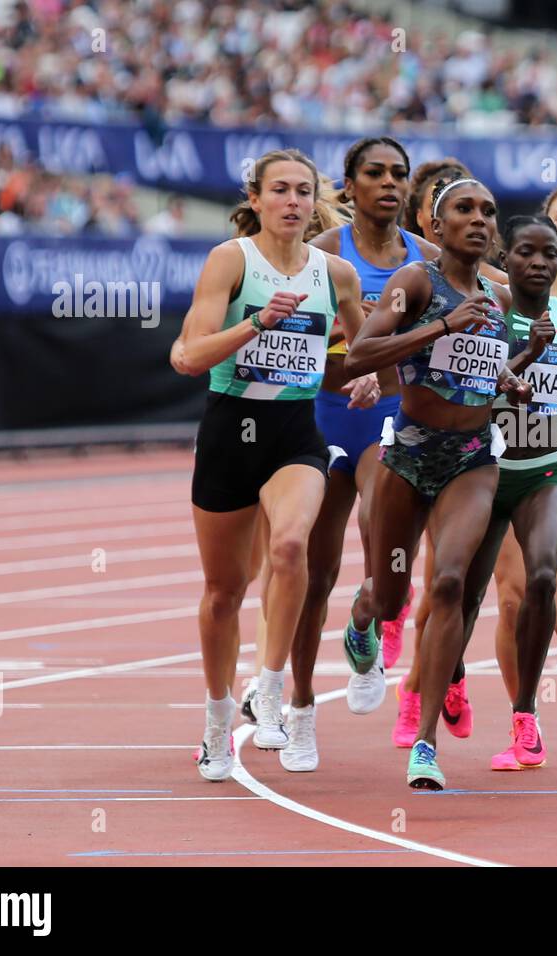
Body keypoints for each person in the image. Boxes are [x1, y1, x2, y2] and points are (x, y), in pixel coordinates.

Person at [341, 177, 536, 790]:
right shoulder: (416, 282)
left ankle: (424, 744)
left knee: (449, 583)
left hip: (472, 459)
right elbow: (359, 354)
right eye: (464, 210)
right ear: (435, 223)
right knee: (394, 596)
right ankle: (364, 616)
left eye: (488, 212)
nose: (479, 220)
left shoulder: (498, 300)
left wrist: (512, 375)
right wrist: (439, 328)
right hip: (409, 454)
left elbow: (481, 368)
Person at [176, 148, 362, 781]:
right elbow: (188, 356)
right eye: (278, 190)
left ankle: (271, 685)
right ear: (254, 199)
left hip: (294, 435)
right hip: (230, 430)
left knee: (290, 548)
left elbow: (357, 352)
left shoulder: (335, 274)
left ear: (315, 202)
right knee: (224, 592)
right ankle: (215, 722)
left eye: (303, 191)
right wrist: (255, 323)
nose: (291, 201)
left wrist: (365, 379)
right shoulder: (231, 261)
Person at [272, 137, 443, 771]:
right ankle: (301, 708)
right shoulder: (321, 254)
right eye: (375, 173)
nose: (390, 183)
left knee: (385, 546)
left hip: (392, 419)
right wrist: (345, 355)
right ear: (349, 184)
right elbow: (288, 339)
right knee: (312, 574)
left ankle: (368, 619)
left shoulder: (426, 260)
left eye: (399, 174)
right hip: (323, 417)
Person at [454, 215, 557, 770]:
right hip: (484, 470)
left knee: (541, 576)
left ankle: (524, 714)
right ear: (505, 258)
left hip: (546, 471)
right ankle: (452, 674)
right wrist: (527, 355)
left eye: (548, 254)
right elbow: (476, 386)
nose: (538, 263)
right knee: (464, 593)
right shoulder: (486, 316)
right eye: (525, 253)